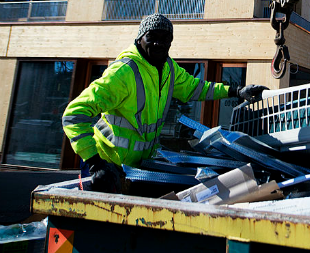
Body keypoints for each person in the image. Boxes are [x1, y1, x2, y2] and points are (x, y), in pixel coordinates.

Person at [62, 13, 267, 192]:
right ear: (140, 38)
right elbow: (74, 115)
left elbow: (196, 88)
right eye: (152, 37)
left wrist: (237, 91)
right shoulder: (123, 72)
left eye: (165, 38)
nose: (158, 43)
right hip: (105, 167)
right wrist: (95, 163)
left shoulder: (168, 69)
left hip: (135, 169)